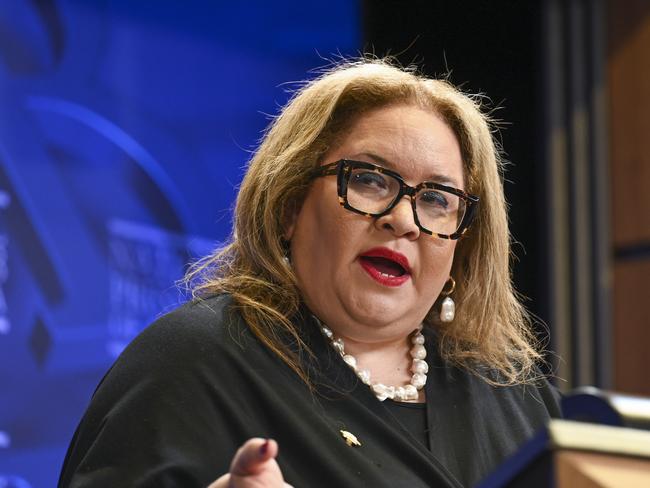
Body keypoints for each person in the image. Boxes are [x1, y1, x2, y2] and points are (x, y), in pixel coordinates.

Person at [58, 59, 560, 488]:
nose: (403, 220)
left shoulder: (519, 401)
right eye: (368, 180)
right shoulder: (193, 363)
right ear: (290, 205)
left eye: (436, 199)